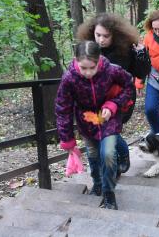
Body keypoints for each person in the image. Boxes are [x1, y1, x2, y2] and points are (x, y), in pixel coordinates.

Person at [56, 41, 134, 210]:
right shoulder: (69, 79)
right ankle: (97, 183)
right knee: (92, 153)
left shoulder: (112, 70)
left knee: (107, 153)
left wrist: (113, 105)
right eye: (84, 68)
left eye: (92, 67)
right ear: (76, 60)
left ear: (99, 60)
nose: (89, 73)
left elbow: (129, 86)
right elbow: (63, 109)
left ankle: (109, 193)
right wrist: (67, 140)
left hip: (109, 119)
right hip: (87, 121)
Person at [76, 13, 149, 194]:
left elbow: (141, 72)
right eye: (98, 35)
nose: (101, 40)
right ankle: (117, 161)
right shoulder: (87, 49)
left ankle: (115, 166)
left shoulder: (126, 49)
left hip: (120, 101)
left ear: (115, 35)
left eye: (106, 36)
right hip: (94, 103)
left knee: (108, 134)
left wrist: (141, 54)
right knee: (103, 137)